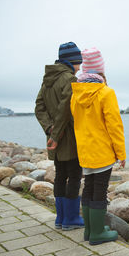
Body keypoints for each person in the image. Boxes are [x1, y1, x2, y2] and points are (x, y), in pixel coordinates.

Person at [70, 48, 126, 245]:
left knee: (88, 188)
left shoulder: (75, 93)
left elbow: (76, 122)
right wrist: (121, 153)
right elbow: (114, 125)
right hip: (102, 151)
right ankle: (97, 233)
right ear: (101, 70)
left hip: (85, 151)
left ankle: (89, 231)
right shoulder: (106, 92)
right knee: (100, 190)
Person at [35, 42, 84, 231]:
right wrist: (56, 134)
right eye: (79, 62)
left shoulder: (48, 79)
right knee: (74, 176)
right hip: (69, 136)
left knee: (60, 175)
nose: (80, 67)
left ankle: (61, 219)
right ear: (73, 60)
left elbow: (38, 107)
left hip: (53, 137)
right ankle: (71, 219)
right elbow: (65, 108)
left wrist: (49, 129)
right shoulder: (70, 79)